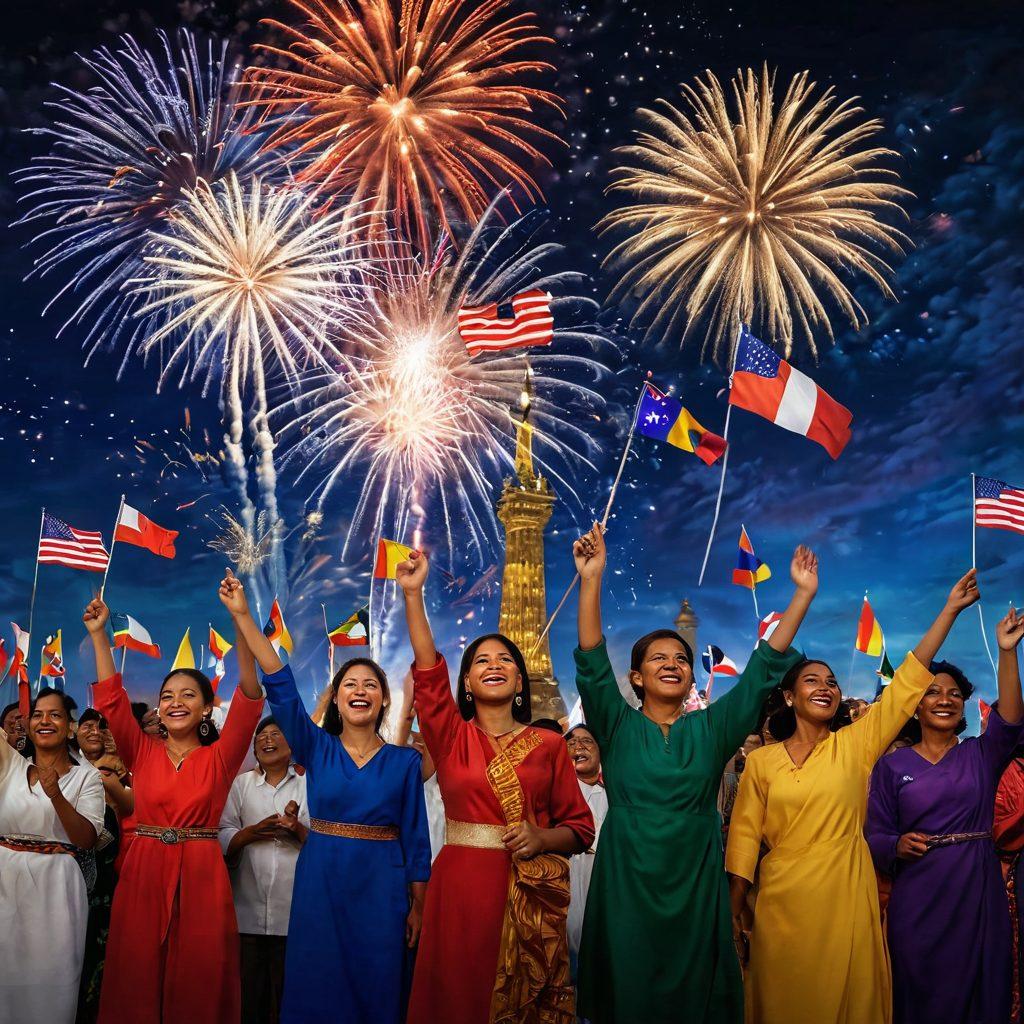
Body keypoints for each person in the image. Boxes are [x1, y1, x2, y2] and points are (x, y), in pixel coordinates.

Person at [572, 523, 814, 1024]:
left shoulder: (713, 727)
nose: (672, 663)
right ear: (636, 677)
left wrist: (802, 596)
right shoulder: (615, 726)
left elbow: (761, 671)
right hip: (627, 878)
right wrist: (591, 579)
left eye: (681, 658)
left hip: (695, 881)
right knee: (629, 989)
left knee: (692, 997)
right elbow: (593, 663)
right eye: (657, 658)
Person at [726, 568, 981, 1024]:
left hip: (845, 891)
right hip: (781, 902)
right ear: (788, 697)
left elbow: (907, 683)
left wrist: (950, 610)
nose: (825, 686)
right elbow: (744, 839)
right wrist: (732, 910)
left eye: (831, 682)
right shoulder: (762, 762)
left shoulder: (855, 745)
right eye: (811, 681)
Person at [222, 568, 431, 1024]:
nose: (360, 690)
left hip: (383, 887)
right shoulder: (316, 748)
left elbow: (416, 841)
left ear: (383, 701)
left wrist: (418, 904)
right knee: (318, 981)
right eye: (349, 685)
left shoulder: (405, 763)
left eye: (371, 685)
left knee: (378, 980)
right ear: (336, 700)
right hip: (320, 880)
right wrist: (243, 616)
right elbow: (280, 684)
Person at [398, 548, 595, 1024]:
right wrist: (412, 594)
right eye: (481, 660)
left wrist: (542, 837)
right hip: (458, 888)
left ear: (520, 679)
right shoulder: (450, 736)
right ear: (466, 682)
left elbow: (581, 828)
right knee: (458, 995)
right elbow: (427, 673)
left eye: (505, 659)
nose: (493, 664)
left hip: (526, 892)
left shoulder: (548, 743)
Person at [84, 592, 265, 1024]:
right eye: (167, 696)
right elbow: (111, 700)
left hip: (203, 874)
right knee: (136, 973)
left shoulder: (221, 758)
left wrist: (240, 619)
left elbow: (250, 694)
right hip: (143, 871)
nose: (176, 701)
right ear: (160, 710)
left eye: (188, 694)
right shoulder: (141, 752)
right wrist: (98, 635)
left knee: (200, 976)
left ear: (206, 708)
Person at [865, 608, 1024, 1024]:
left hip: (977, 888)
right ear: (915, 707)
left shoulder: (981, 754)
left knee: (981, 985)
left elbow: (1009, 720)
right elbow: (875, 832)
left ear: (964, 705)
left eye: (954, 694)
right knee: (918, 987)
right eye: (932, 692)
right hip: (917, 896)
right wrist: (895, 844)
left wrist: (1007, 652)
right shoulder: (891, 767)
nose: (945, 699)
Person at [0, 688, 104, 1024]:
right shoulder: (10, 767)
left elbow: (87, 839)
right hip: (4, 879)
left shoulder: (87, 777)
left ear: (70, 726)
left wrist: (56, 794)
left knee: (52, 976)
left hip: (57, 887)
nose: (45, 721)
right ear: (28, 725)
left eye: (55, 714)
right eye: (38, 715)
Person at [219, 716, 310, 1024]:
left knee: (290, 998)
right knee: (249, 999)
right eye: (261, 736)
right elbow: (223, 831)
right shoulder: (240, 785)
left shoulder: (310, 785)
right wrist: (252, 832)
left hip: (294, 916)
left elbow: (323, 840)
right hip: (245, 912)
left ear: (293, 744)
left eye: (276, 734)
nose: (267, 740)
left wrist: (295, 828)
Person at [75, 708, 131, 1024]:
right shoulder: (63, 769)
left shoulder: (124, 772)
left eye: (101, 726)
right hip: (70, 874)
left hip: (112, 877)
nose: (94, 730)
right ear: (73, 730)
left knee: (104, 954)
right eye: (87, 725)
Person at [564, 724, 608, 968]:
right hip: (572, 874)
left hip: (608, 877)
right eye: (571, 743)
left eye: (587, 742)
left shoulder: (617, 793)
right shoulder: (557, 795)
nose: (578, 746)